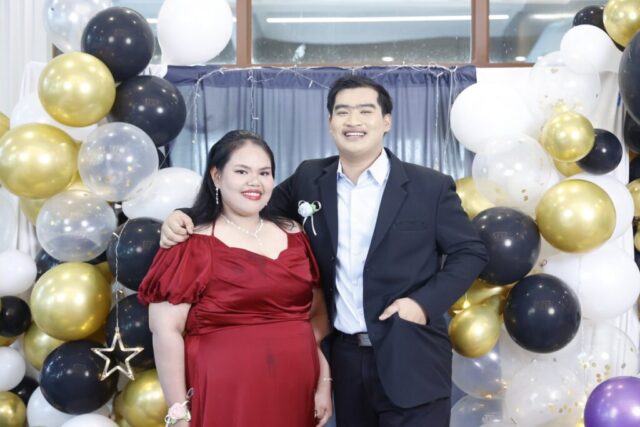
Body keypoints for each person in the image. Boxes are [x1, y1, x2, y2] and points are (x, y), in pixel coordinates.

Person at [161, 76, 488, 426]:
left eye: (365, 111)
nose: (353, 121)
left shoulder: (429, 186)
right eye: (342, 112)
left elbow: (470, 252)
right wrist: (186, 216)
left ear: (386, 121)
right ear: (330, 122)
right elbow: (250, 203)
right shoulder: (309, 178)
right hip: (346, 360)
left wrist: (422, 305)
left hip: (412, 356)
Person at [138, 130, 333, 427]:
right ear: (216, 176)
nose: (255, 182)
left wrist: (324, 379)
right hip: (225, 390)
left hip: (296, 385)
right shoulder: (190, 241)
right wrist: (177, 412)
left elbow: (315, 317)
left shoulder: (295, 234)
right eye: (242, 171)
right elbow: (165, 331)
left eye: (264, 173)